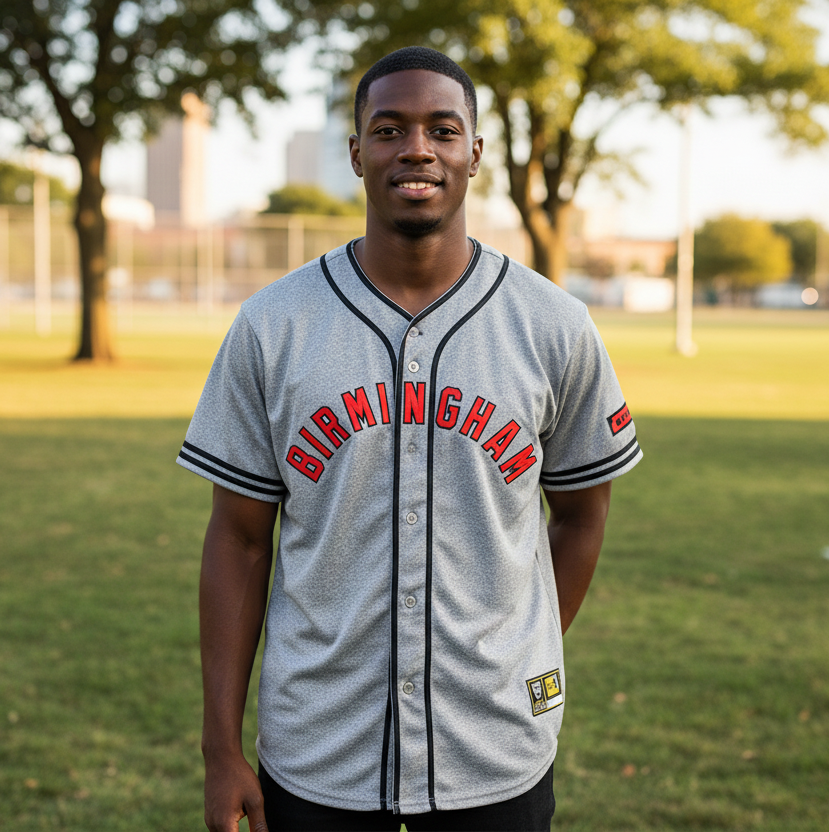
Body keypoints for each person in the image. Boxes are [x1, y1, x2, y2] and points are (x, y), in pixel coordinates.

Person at [177, 46, 642, 832]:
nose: (417, 148)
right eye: (389, 129)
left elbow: (582, 517)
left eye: (442, 129)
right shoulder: (273, 325)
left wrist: (509, 648)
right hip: (317, 755)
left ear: (474, 153)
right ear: (357, 153)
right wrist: (220, 748)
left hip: (495, 754)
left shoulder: (554, 325)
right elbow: (240, 541)